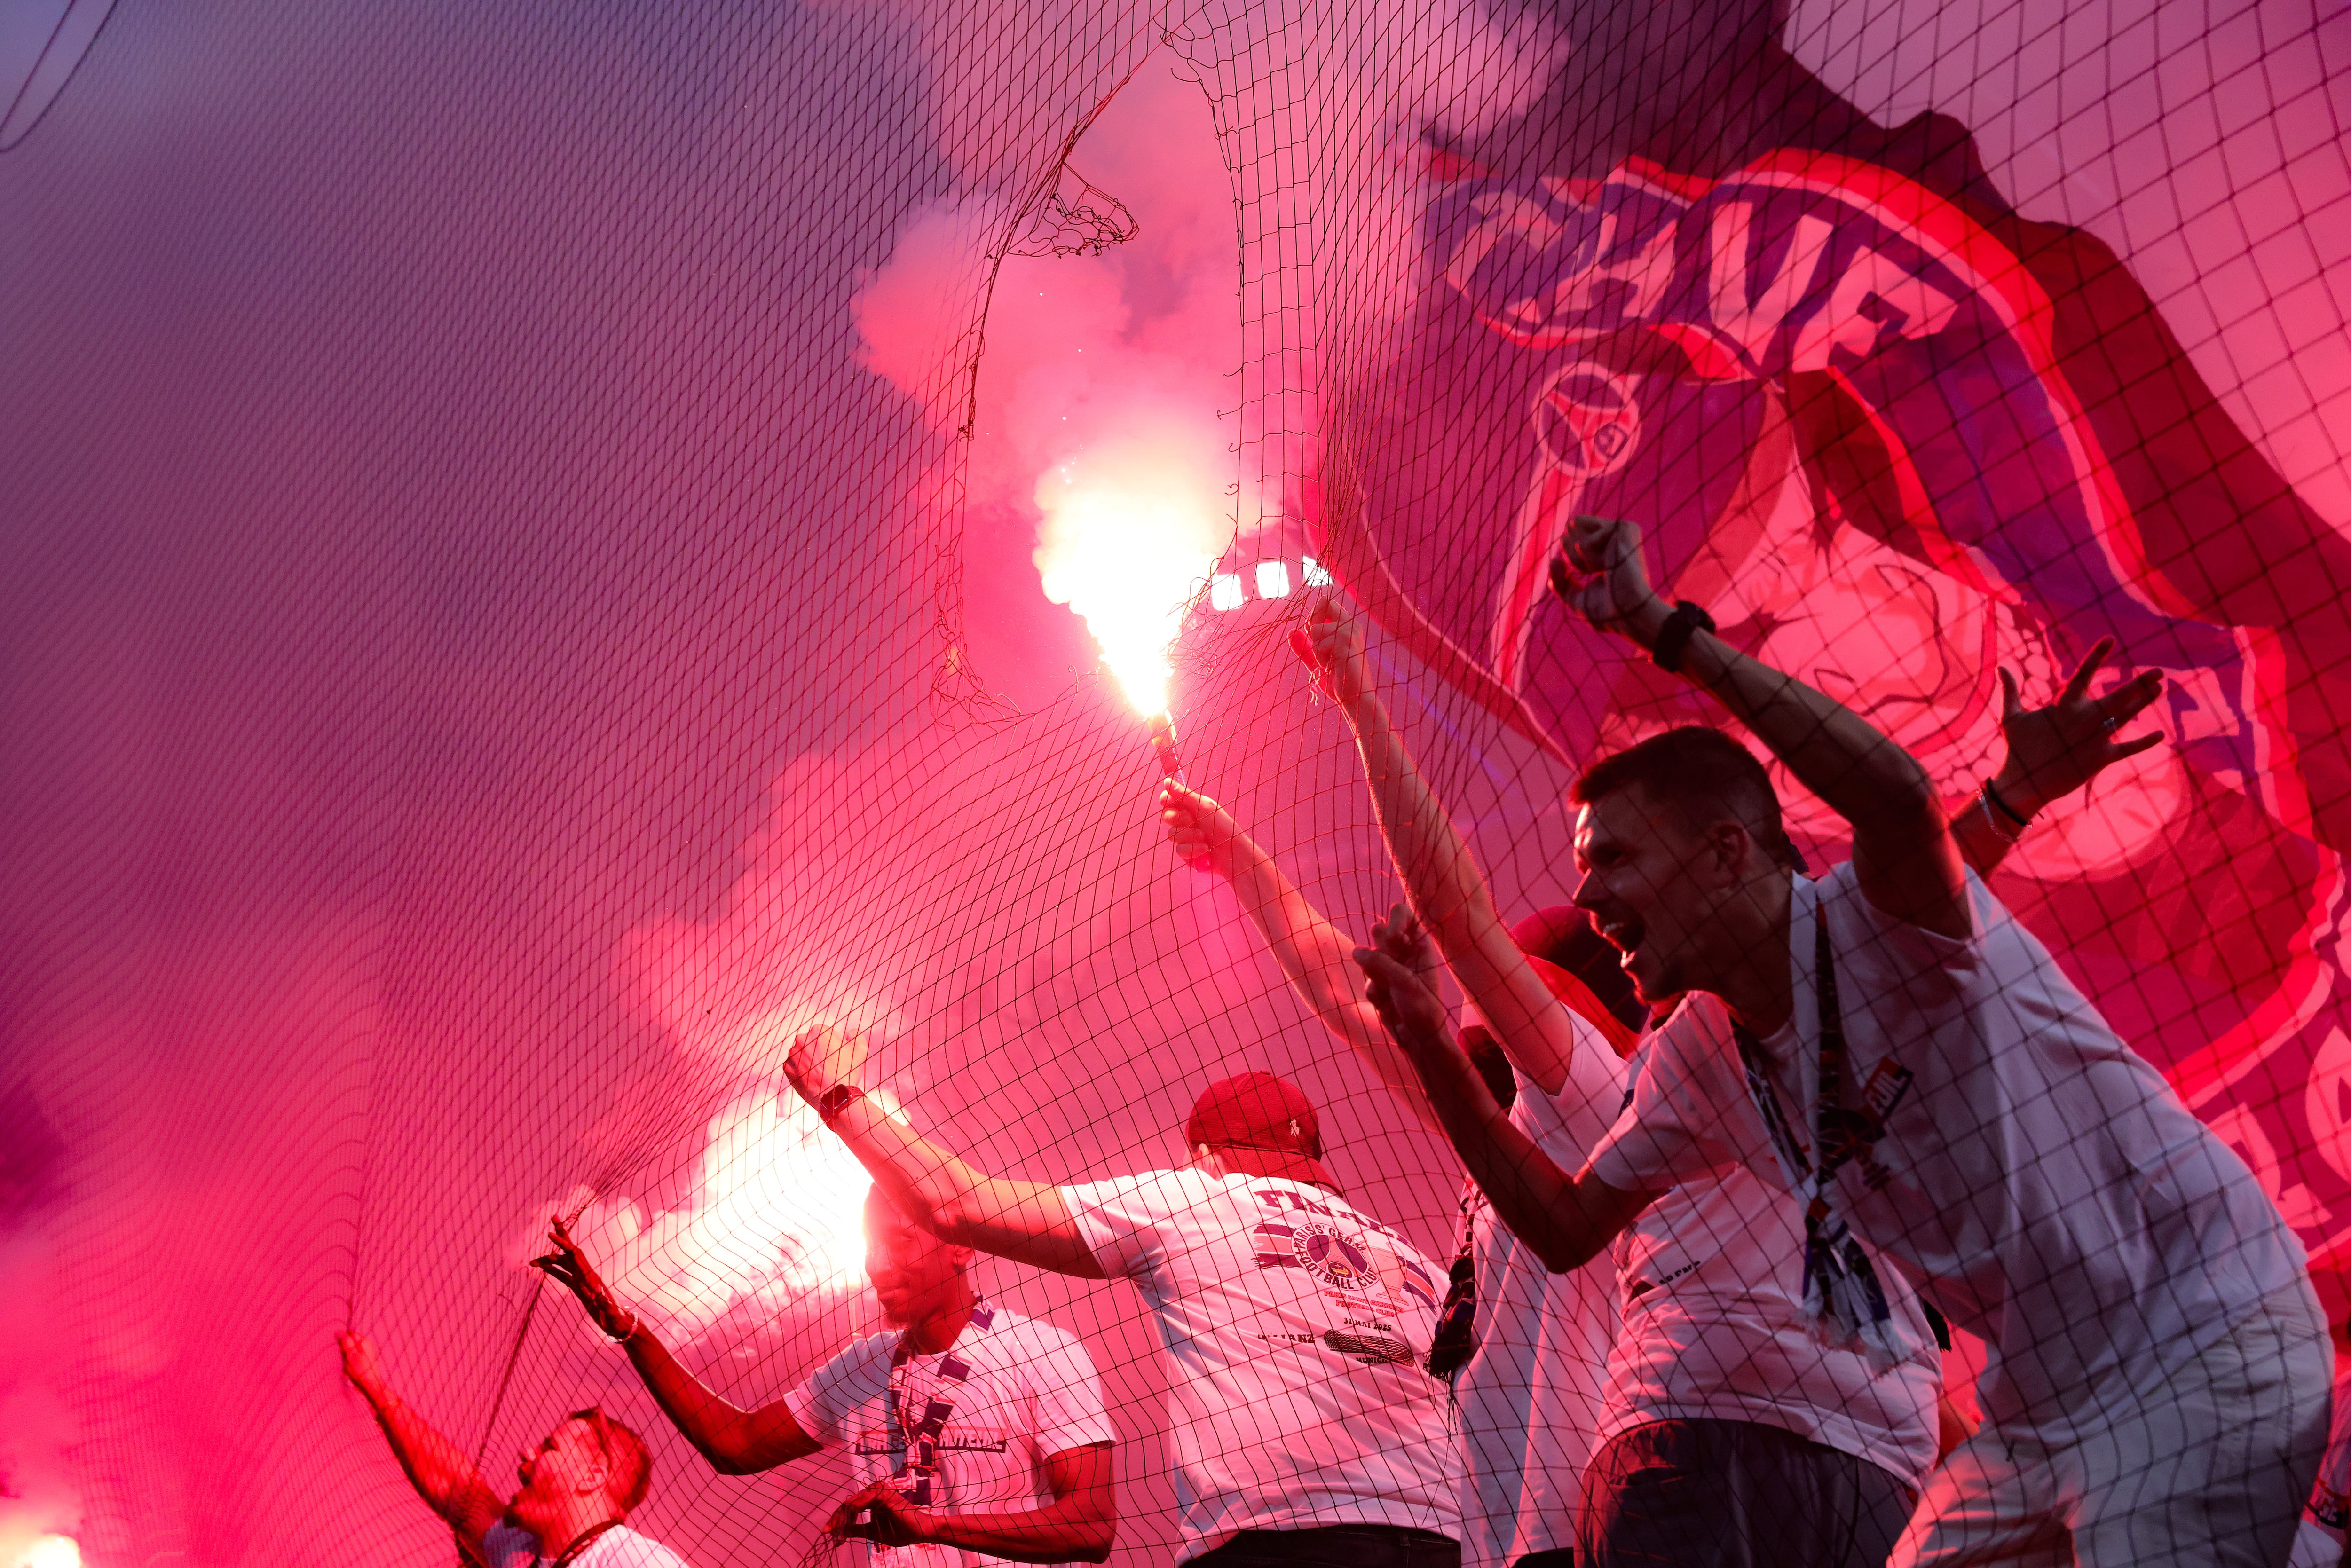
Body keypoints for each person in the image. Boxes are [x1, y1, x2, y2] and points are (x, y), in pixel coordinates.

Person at [1354, 511, 2328, 1568]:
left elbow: (1900, 795)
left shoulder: (1886, 920)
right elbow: (1562, 1223)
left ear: (1728, 853)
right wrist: (1424, 1040)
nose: (1587, 893)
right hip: (2042, 1400)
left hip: (2204, 1323)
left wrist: (1660, 629)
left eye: (1617, 856)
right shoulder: (1699, 1056)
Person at [780, 1022, 1463, 1568]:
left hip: (1276, 1538)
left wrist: (836, 1090)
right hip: (1442, 1541)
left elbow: (955, 1204)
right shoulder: (1413, 1260)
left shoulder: (1194, 1199)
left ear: (1203, 1153)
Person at [530, 1185, 1118, 1567]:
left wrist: (936, 1526)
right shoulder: (861, 1365)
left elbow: (1090, 1526)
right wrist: (626, 1326)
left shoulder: (1044, 1350)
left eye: (899, 1241)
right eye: (869, 1248)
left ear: (961, 1245)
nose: (879, 1265)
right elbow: (732, 1444)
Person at [337, 1329, 692, 1568]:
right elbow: (460, 1492)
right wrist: (376, 1389)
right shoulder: (525, 1554)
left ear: (593, 1476)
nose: (526, 1453)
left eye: (550, 1447)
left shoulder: (635, 1560)